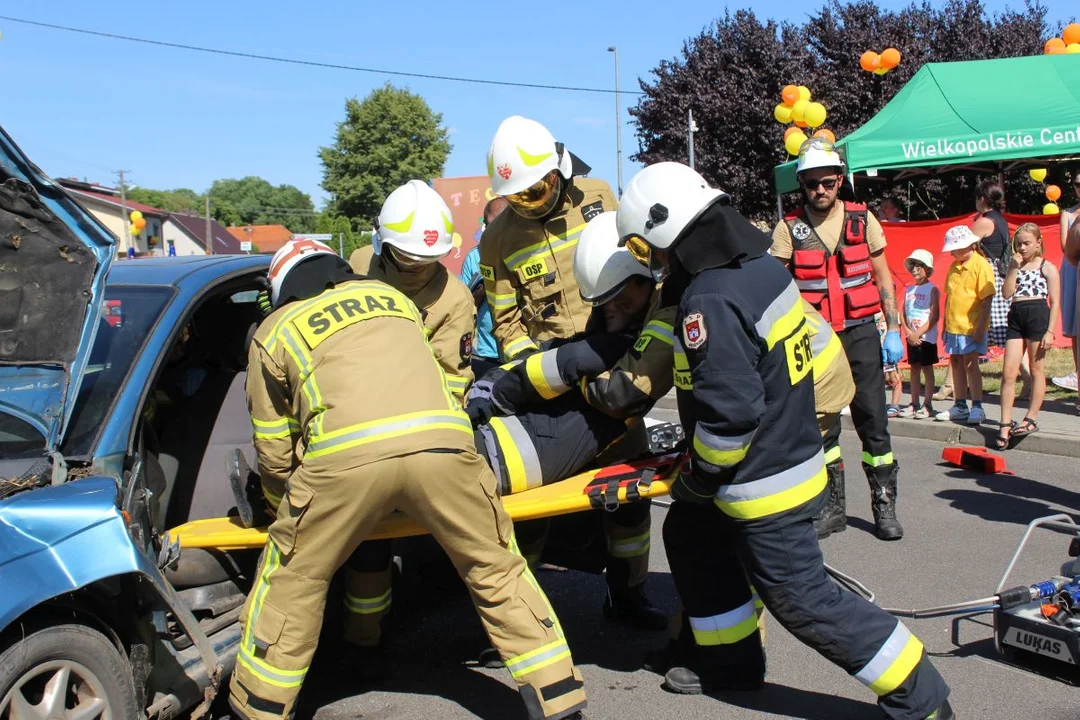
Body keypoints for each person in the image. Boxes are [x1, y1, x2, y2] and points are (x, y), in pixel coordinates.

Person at [618, 161, 952, 718]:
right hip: (787, 454)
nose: (655, 262)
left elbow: (731, 417)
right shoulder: (760, 271)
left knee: (802, 598)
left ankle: (921, 695)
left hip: (760, 479)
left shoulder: (710, 298)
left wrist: (697, 478)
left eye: (650, 246)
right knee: (692, 535)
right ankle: (731, 665)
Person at [231, 238, 587, 720]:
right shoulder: (395, 302)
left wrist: (280, 508)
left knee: (294, 580)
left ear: (282, 288)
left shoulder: (274, 332)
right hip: (445, 448)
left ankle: (257, 708)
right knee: (497, 568)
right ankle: (560, 698)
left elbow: (274, 449)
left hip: (343, 462)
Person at [469, 211, 675, 629]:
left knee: (630, 508)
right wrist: (518, 375)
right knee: (528, 514)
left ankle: (628, 598)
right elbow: (515, 326)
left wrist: (575, 373)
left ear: (644, 282)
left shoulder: (660, 305)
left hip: (617, 421)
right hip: (556, 400)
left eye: (623, 298)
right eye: (607, 301)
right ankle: (519, 620)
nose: (615, 308)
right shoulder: (499, 238)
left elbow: (622, 395)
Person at [770, 137, 904, 541]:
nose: (820, 190)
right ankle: (832, 507)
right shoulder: (788, 228)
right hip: (814, 340)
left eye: (827, 182)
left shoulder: (863, 221)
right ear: (801, 184)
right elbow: (772, 288)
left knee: (874, 424)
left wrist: (894, 329)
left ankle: (884, 507)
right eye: (811, 183)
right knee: (820, 424)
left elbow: (883, 279)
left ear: (839, 179)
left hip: (861, 333)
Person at [481, 115, 616, 361]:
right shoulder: (496, 239)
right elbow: (505, 320)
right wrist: (531, 366)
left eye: (536, 191)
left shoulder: (600, 197)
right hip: (551, 365)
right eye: (517, 197)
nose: (530, 205)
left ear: (558, 170)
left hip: (612, 351)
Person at [349, 180, 476, 403]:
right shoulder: (359, 264)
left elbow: (454, 382)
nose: (419, 266)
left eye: (429, 259)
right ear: (382, 244)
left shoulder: (455, 300)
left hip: (413, 406)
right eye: (406, 257)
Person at [997, 223, 1060, 448]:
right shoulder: (1016, 265)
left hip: (1037, 315)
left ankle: (1031, 418)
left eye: (1027, 243)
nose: (1022, 248)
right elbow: (1006, 293)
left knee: (1036, 369)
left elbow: (1054, 303)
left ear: (1038, 243)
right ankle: (1005, 422)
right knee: (1008, 372)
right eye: (1019, 244)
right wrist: (1013, 268)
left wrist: (1050, 331)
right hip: (1016, 315)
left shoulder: (1047, 267)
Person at [935, 225, 995, 424]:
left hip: (971, 326)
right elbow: (950, 296)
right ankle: (959, 405)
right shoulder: (954, 266)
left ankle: (977, 406)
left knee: (971, 365)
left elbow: (986, 300)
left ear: (969, 245)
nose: (952, 253)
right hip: (954, 326)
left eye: (955, 248)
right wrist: (945, 324)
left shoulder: (981, 265)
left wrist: (980, 328)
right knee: (956, 363)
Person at [460, 197, 511, 379]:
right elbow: (463, 309)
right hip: (486, 354)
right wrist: (479, 292)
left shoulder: (524, 253)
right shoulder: (473, 258)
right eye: (491, 226)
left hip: (522, 351)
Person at [900, 249, 940, 419]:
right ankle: (914, 402)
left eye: (919, 266)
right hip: (911, 337)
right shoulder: (908, 290)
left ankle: (927, 403)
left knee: (927, 369)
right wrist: (909, 332)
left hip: (926, 337)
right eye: (913, 266)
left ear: (927, 269)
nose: (915, 269)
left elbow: (934, 315)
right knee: (914, 368)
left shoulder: (932, 289)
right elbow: (902, 312)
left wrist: (919, 333)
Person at [1052, 172, 1080, 397]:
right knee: (1073, 326)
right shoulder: (1068, 214)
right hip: (1072, 268)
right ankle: (1077, 373)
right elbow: (1065, 246)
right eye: (1078, 184)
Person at [880, 312, 905, 418]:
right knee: (877, 379)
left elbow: (897, 330)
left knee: (894, 378)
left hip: (888, 350)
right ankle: (878, 404)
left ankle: (894, 404)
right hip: (874, 349)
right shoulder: (871, 311)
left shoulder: (892, 312)